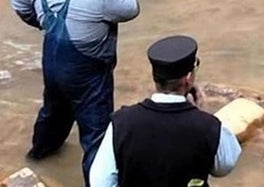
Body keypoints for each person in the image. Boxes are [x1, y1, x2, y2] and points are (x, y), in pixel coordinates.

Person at [10, 0, 140, 184]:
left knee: (53, 112)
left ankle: (38, 158)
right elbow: (131, 8)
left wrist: (42, 24)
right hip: (89, 74)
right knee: (95, 135)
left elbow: (17, 1)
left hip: (53, 65)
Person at [88, 35, 242, 187]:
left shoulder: (122, 122)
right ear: (188, 78)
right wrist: (200, 114)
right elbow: (225, 165)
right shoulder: (208, 126)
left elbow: (99, 181)